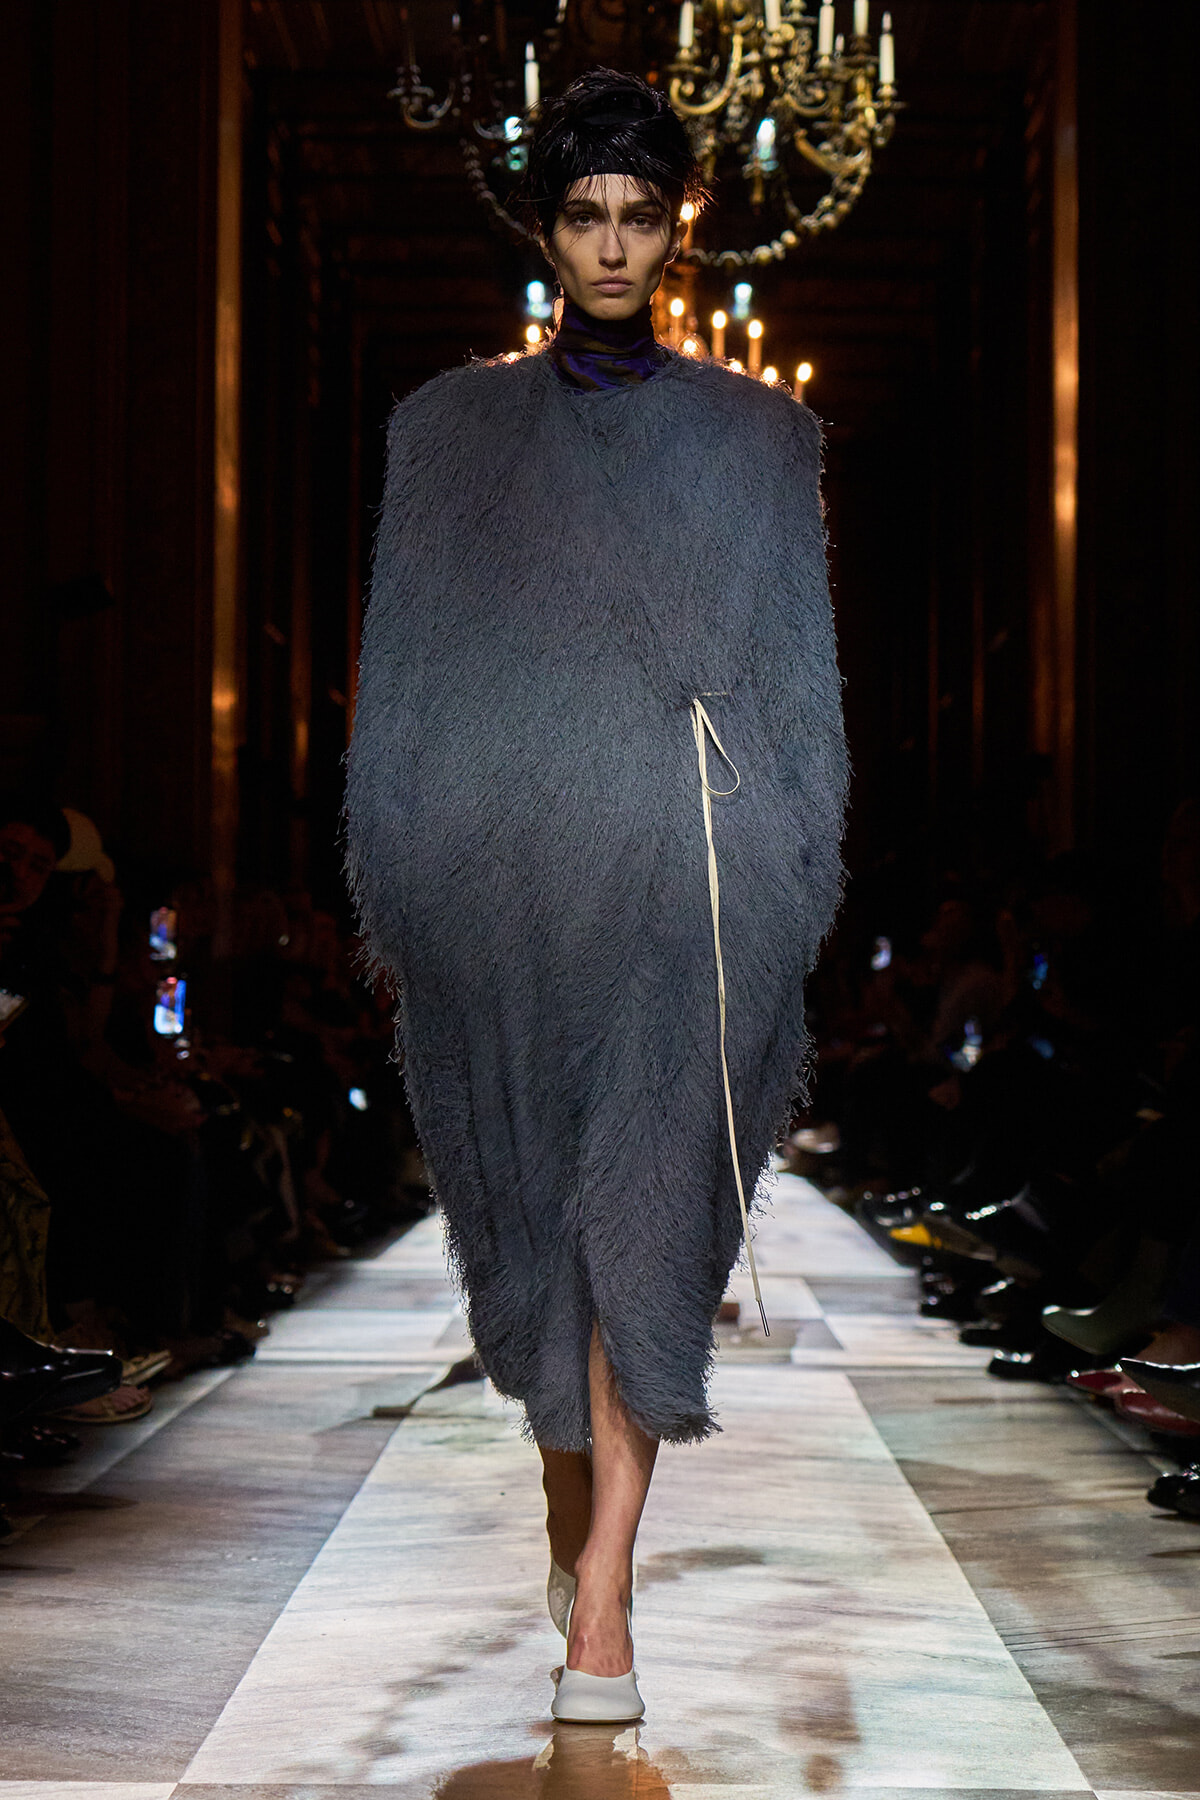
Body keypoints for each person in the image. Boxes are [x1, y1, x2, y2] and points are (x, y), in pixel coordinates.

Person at [345, 68, 846, 1723]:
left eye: (640, 216)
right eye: (585, 216)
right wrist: (407, 880)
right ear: (548, 227)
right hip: (507, 898)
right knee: (540, 1250)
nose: (613, 244)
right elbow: (406, 684)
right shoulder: (452, 434)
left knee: (646, 1230)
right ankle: (581, 1534)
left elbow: (798, 690)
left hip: (688, 894)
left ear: (677, 226)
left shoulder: (762, 443)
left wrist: (783, 879)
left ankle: (606, 1610)